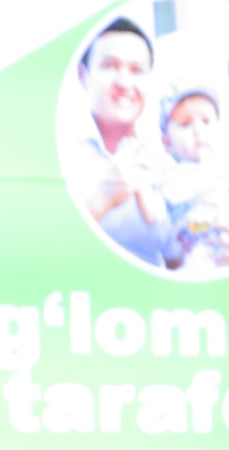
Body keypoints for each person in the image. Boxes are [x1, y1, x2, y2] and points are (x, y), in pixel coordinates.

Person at [62, 16, 173, 266]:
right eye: (110, 66)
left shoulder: (163, 161)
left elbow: (175, 255)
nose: (124, 83)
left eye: (137, 70)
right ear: (83, 75)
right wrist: (102, 198)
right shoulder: (61, 153)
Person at [155, 85, 229, 270]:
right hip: (192, 271)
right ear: (167, 142)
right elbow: (168, 250)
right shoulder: (168, 187)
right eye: (185, 124)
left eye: (206, 121)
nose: (198, 130)